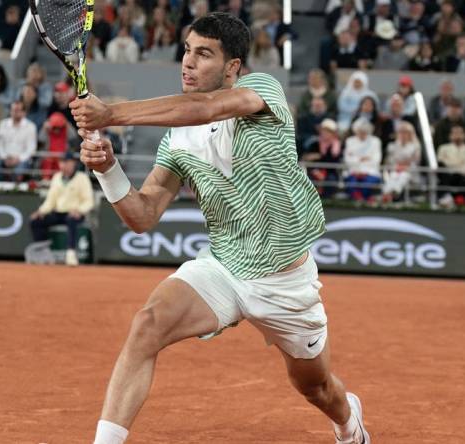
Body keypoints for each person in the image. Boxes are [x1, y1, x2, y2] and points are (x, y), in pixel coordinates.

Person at [70, 12, 371, 444]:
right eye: (187, 51)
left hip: (285, 281)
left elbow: (206, 108)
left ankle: (348, 423)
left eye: (204, 54)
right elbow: (142, 215)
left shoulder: (262, 90)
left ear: (233, 67)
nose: (188, 63)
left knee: (317, 388)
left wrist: (111, 113)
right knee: (147, 325)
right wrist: (108, 169)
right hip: (225, 269)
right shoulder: (175, 140)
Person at [29, 151, 94, 266]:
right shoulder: (57, 177)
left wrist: (79, 210)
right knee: (35, 221)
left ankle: (71, 254)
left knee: (71, 220)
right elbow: (51, 200)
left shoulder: (82, 178)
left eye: (66, 162)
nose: (63, 165)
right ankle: (42, 252)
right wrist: (41, 211)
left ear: (73, 163)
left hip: (75, 214)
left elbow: (89, 201)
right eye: (61, 162)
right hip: (58, 213)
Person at [0, 100, 37, 182]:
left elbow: (31, 149)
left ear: (24, 112)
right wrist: (5, 158)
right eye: (13, 110)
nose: (15, 113)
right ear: (10, 111)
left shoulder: (31, 126)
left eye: (18, 110)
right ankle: (2, 187)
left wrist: (18, 159)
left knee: (20, 170)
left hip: (22, 160)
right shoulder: (3, 124)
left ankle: (14, 189)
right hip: (5, 158)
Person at [343, 117, 382, 201]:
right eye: (360, 131)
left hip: (370, 172)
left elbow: (376, 160)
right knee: (351, 184)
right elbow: (347, 159)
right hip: (353, 171)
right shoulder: (350, 141)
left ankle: (364, 202)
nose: (362, 133)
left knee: (367, 185)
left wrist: (357, 160)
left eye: (364, 131)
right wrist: (360, 159)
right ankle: (357, 201)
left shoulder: (376, 141)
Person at [437, 124, 465, 206]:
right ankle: (446, 197)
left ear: (464, 135)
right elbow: (442, 163)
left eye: (459, 133)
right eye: (454, 133)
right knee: (443, 173)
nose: (457, 135)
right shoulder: (443, 148)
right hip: (448, 177)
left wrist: (452, 165)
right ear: (450, 135)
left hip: (464, 178)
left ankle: (462, 200)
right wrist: (460, 164)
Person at [382, 121, 421, 201]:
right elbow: (390, 161)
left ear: (410, 134)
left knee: (403, 176)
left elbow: (415, 161)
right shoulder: (391, 146)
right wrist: (400, 164)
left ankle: (391, 194)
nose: (403, 134)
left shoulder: (415, 146)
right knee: (393, 176)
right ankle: (388, 194)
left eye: (405, 132)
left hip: (409, 172)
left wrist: (404, 164)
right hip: (394, 170)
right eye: (401, 132)